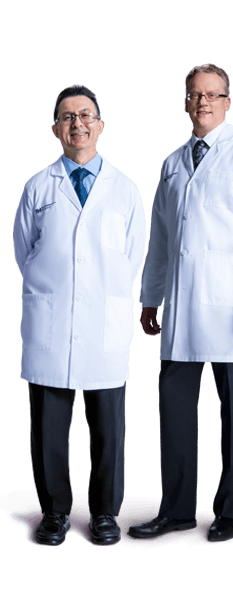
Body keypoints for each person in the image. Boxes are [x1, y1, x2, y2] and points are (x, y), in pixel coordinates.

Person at [128, 64, 233, 542]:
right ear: (185, 102)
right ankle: (175, 511)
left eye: (213, 95)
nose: (203, 102)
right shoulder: (172, 162)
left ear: (228, 102)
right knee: (174, 413)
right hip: (182, 304)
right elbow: (160, 236)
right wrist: (150, 296)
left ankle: (229, 512)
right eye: (195, 95)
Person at [13, 85, 146, 546]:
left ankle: (105, 513)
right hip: (51, 322)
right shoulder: (38, 186)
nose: (77, 124)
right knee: (48, 428)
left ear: (100, 126)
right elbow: (24, 252)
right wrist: (54, 286)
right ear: (56, 129)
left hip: (104, 323)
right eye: (67, 117)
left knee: (108, 429)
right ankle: (54, 514)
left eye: (85, 115)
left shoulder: (124, 189)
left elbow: (132, 256)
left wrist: (101, 288)